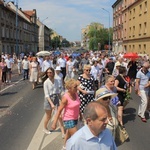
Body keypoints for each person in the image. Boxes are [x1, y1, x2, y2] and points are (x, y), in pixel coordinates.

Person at [51, 79, 80, 150]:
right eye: (75, 87)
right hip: (68, 119)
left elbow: (77, 106)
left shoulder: (76, 94)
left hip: (75, 118)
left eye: (76, 86)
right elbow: (59, 111)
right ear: (69, 89)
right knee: (77, 138)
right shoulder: (65, 98)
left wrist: (81, 115)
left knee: (68, 133)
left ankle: (65, 146)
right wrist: (54, 123)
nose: (77, 88)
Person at [43, 67, 65, 135]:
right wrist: (51, 104)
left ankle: (63, 132)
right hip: (48, 100)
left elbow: (58, 92)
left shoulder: (56, 81)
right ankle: (45, 128)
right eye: (48, 73)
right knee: (48, 116)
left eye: (50, 72)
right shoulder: (46, 82)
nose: (49, 74)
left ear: (53, 73)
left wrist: (62, 100)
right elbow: (46, 95)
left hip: (55, 98)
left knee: (59, 115)